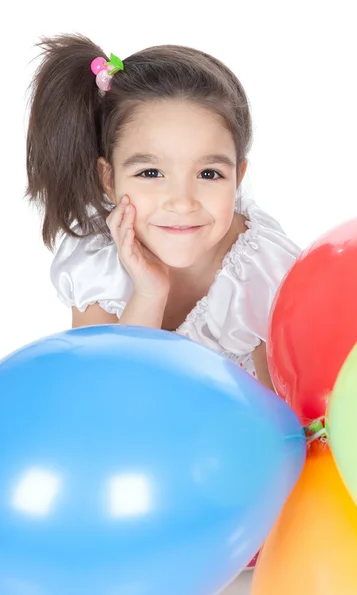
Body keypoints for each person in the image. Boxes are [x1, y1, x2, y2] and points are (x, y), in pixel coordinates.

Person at [26, 33, 300, 568]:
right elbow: (104, 408)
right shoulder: (99, 261)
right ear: (109, 178)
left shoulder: (263, 272)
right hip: (131, 476)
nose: (181, 200)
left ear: (239, 176)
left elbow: (283, 433)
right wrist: (148, 292)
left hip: (236, 487)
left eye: (209, 173)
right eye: (150, 172)